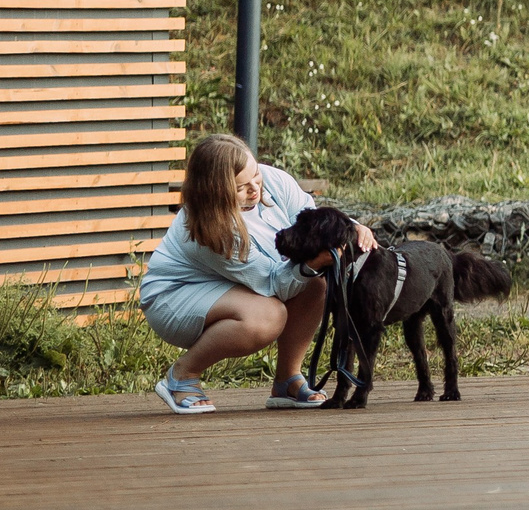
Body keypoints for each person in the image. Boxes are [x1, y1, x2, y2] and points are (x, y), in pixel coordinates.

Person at [140, 133, 371, 414]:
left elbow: (314, 218)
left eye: (256, 175)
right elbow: (273, 283)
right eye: (241, 187)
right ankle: (182, 375)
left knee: (316, 285)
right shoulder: (211, 230)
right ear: (215, 192)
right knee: (267, 316)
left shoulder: (273, 180)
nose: (255, 189)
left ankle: (287, 380)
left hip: (229, 284)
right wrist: (310, 264)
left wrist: (352, 228)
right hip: (175, 297)